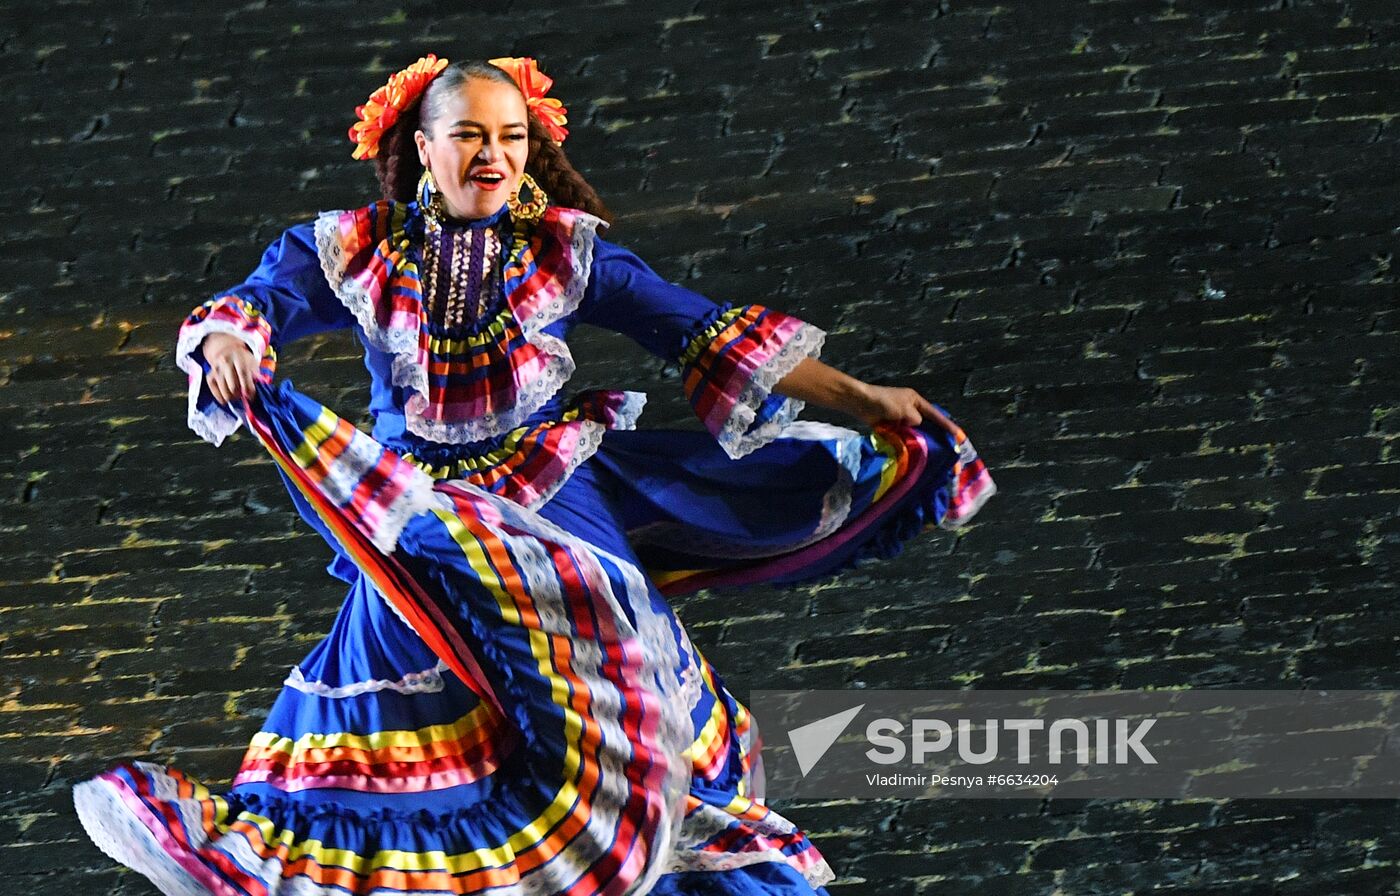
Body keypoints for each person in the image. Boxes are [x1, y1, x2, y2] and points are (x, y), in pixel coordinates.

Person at [71, 54, 996, 896]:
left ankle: (653, 858)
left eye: (509, 136)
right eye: (469, 134)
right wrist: (232, 342)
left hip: (550, 491)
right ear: (422, 146)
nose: (492, 155)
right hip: (421, 515)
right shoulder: (353, 249)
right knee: (393, 728)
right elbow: (257, 305)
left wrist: (861, 395)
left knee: (616, 670)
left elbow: (699, 327)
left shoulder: (565, 250)